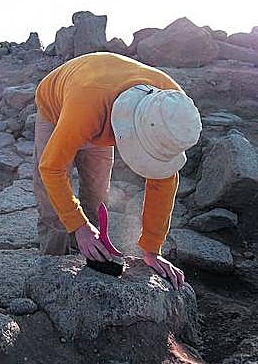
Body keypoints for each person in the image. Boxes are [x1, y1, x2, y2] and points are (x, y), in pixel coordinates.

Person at [33, 52, 202, 290]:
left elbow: (163, 180)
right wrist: (78, 226)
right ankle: (50, 275)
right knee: (53, 207)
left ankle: (91, 253)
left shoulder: (174, 108)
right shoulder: (86, 106)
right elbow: (52, 169)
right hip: (59, 107)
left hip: (99, 106)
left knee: (97, 194)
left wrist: (152, 249)